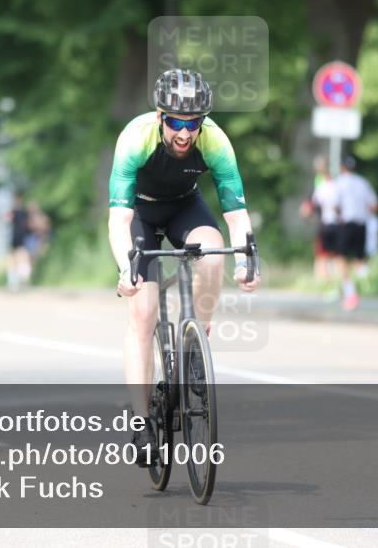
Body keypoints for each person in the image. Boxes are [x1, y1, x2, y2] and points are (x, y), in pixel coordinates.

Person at [108, 68, 260, 466]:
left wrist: (245, 260)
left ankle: (196, 342)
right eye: (176, 122)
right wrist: (128, 269)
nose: (184, 133)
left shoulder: (215, 141)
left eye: (193, 124)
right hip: (140, 214)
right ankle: (141, 424)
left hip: (183, 207)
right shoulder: (134, 139)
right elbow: (118, 220)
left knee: (212, 252)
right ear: (160, 117)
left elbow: (237, 215)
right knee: (142, 313)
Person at [334, 156, 378, 311]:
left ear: (342, 167)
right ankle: (367, 282)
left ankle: (351, 292)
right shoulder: (363, 182)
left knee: (341, 259)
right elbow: (374, 206)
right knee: (360, 259)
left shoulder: (339, 182)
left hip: (346, 224)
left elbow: (335, 205)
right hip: (362, 224)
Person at [300, 155, 340, 287]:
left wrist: (309, 216)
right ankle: (329, 281)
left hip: (326, 222)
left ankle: (326, 282)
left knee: (325, 253)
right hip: (328, 222)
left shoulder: (323, 183)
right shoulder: (331, 182)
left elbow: (307, 207)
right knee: (329, 253)